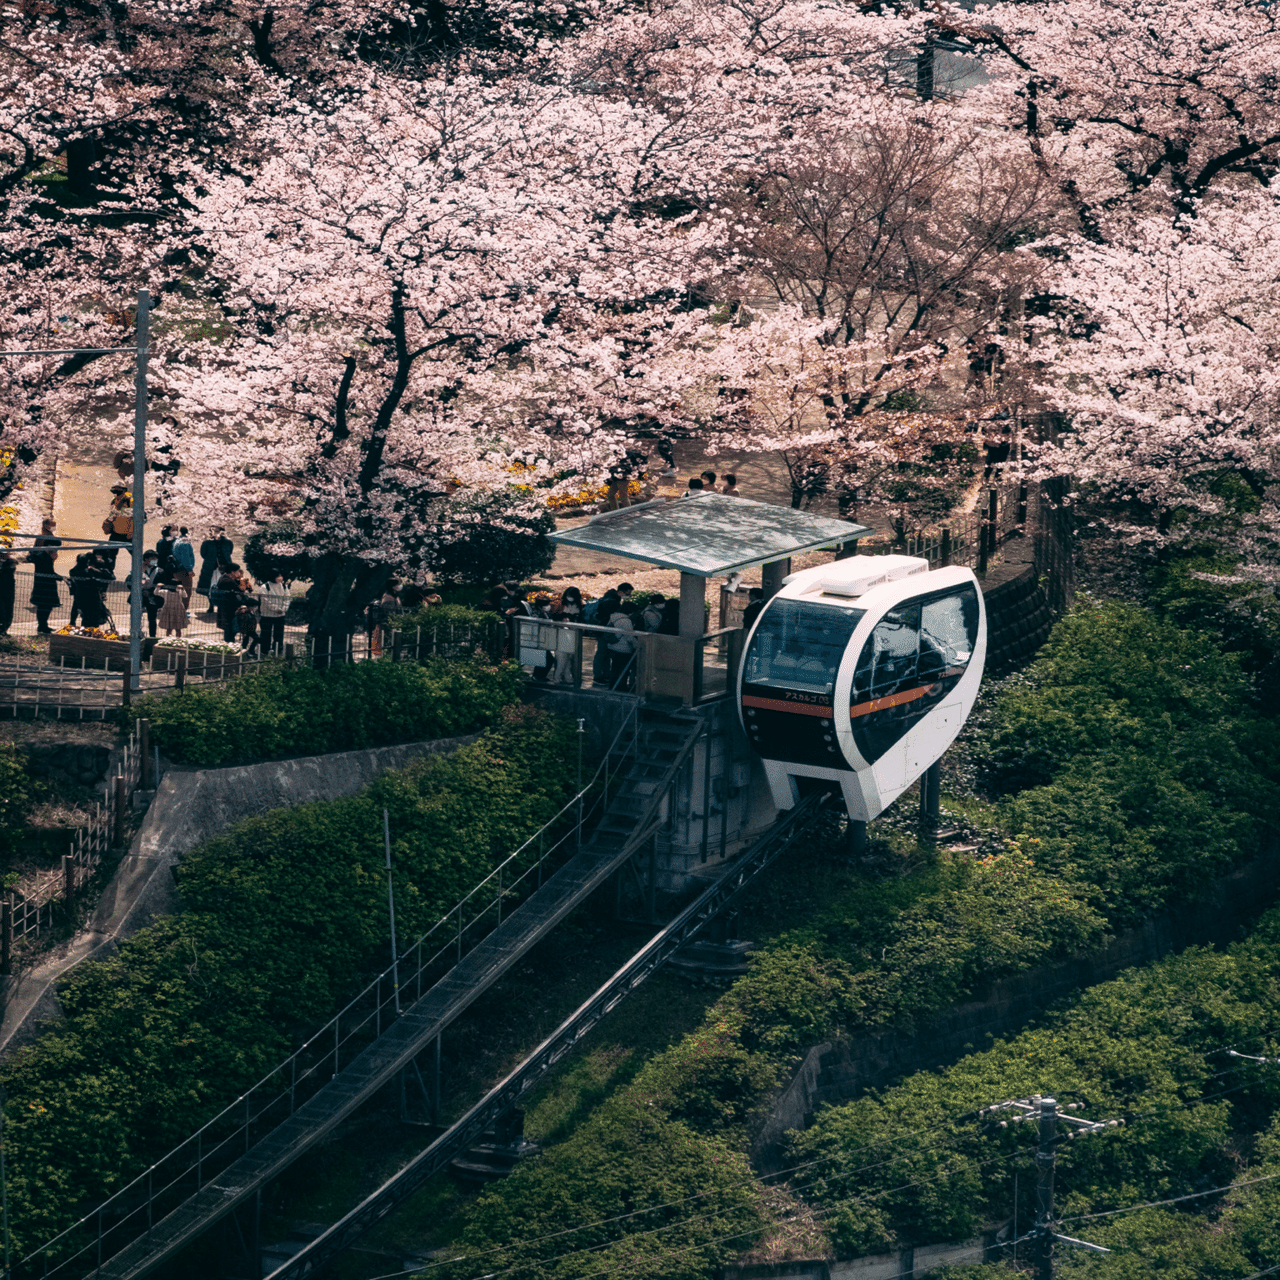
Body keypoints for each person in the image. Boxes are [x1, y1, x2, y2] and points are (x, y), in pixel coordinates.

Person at [29, 519, 61, 634]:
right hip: (46, 583)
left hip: (41, 581)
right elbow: (49, 572)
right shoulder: (45, 558)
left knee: (43, 605)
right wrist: (60, 577)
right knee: (45, 605)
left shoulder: (42, 554)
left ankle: (43, 625)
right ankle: (42, 625)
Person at [552, 585, 583, 684]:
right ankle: (558, 678)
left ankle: (567, 677)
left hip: (573, 633)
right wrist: (562, 617)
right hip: (562, 633)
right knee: (562, 657)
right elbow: (554, 616)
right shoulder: (560, 604)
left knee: (568, 658)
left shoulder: (581, 606)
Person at [607, 600, 638, 690]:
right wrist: (636, 644)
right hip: (622, 648)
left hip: (612, 646)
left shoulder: (614, 616)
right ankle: (621, 686)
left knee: (614, 668)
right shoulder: (626, 621)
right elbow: (629, 637)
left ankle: (612, 686)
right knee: (623, 670)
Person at [197, 528, 233, 604]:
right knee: (210, 586)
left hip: (224, 568)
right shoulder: (206, 543)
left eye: (217, 530)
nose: (216, 532)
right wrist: (211, 560)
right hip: (211, 568)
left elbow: (229, 552)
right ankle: (211, 605)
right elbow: (203, 554)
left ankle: (222, 605)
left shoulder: (227, 542)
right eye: (214, 530)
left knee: (224, 586)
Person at [258, 572, 290, 655]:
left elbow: (287, 598)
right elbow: (265, 600)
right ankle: (264, 650)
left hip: (280, 615)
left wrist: (283, 609)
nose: (281, 578)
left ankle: (278, 650)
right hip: (266, 614)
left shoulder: (284, 586)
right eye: (278, 576)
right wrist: (276, 609)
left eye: (281, 575)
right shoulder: (265, 587)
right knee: (266, 633)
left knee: (279, 634)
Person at [102, 486, 133, 569]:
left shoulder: (130, 501)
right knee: (110, 555)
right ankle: (109, 572)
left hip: (128, 535)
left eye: (118, 488)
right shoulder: (114, 501)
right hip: (116, 533)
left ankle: (139, 574)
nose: (115, 490)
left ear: (124, 490)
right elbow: (113, 514)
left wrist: (131, 531)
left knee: (136, 555)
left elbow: (133, 518)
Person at [155, 567, 188, 638]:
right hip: (169, 610)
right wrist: (158, 587)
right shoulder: (166, 592)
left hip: (178, 610)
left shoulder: (179, 591)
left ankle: (178, 639)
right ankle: (168, 639)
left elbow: (185, 595)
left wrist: (182, 588)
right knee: (169, 628)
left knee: (178, 628)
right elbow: (156, 593)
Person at [213, 565, 242, 642]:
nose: (239, 573)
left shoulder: (223, 578)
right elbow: (239, 591)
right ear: (232, 572)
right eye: (238, 571)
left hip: (225, 607)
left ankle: (229, 643)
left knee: (228, 628)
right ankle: (229, 645)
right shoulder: (229, 581)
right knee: (230, 628)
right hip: (229, 608)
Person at [138, 550, 161, 638]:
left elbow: (162, 584)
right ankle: (136, 634)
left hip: (152, 598)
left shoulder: (159, 571)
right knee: (136, 618)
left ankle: (152, 636)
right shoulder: (137, 570)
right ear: (146, 559)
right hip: (139, 596)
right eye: (152, 558)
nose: (155, 560)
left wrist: (150, 592)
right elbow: (128, 582)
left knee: (152, 619)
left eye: (156, 558)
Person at [171, 527, 196, 600]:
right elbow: (186, 557)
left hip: (177, 570)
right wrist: (189, 570)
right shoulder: (185, 542)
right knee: (186, 592)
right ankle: (183, 610)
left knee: (178, 592)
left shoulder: (176, 542)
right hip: (184, 571)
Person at [0, 548, 14, 635]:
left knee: (9, 611)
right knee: (2, 612)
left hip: (9, 591)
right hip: (2, 591)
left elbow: (10, 569)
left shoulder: (10, 563)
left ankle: (4, 630)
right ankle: (2, 630)